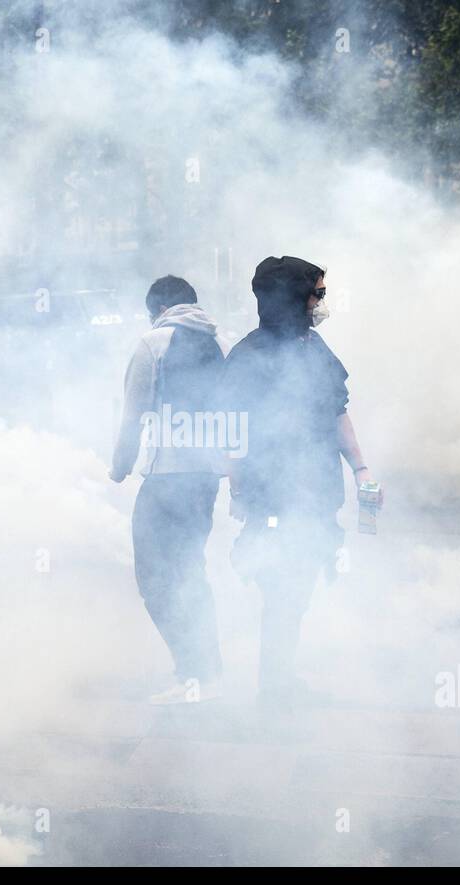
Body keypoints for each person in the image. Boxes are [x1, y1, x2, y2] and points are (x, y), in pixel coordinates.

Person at [220, 256, 381, 710]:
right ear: (292, 297)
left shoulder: (314, 348)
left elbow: (336, 412)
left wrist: (362, 470)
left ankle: (279, 682)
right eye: (317, 293)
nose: (321, 302)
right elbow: (230, 432)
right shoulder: (248, 358)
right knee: (283, 593)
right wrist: (239, 490)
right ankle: (273, 693)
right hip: (273, 498)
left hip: (314, 496)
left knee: (295, 594)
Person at [110, 275, 229, 705]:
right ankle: (205, 671)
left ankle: (196, 674)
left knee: (156, 578)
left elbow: (133, 414)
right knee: (190, 573)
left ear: (157, 308)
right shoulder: (220, 343)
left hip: (165, 482)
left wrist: (119, 468)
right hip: (204, 482)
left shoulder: (153, 343)